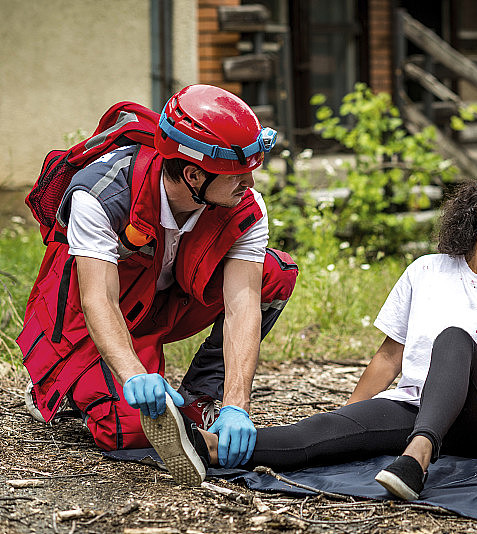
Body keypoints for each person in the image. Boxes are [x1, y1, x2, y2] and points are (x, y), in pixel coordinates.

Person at [143, 168, 477, 498]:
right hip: (416, 406)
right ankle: (205, 446)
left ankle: (417, 458)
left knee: (453, 339)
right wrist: (346, 418)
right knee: (319, 433)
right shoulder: (426, 271)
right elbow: (389, 357)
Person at [17, 85, 298, 471]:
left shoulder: (244, 207)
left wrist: (237, 404)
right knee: (129, 432)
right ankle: (64, 389)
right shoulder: (100, 193)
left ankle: (199, 398)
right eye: (238, 174)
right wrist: (133, 374)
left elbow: (242, 304)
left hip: (163, 305)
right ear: (193, 174)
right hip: (90, 312)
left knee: (274, 274)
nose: (249, 184)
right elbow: (97, 299)